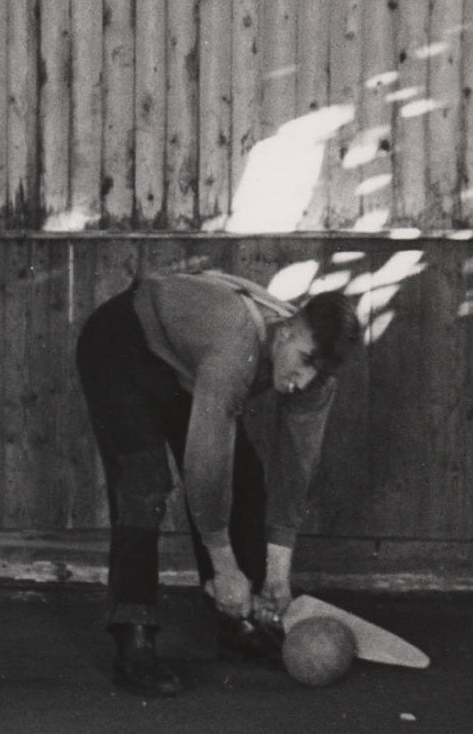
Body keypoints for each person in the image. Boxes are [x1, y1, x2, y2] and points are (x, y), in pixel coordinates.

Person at [75, 266, 365, 696]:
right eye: (304, 362)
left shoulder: (316, 379)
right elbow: (204, 464)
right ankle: (133, 638)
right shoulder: (236, 345)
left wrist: (277, 575)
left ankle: (238, 625)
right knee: (144, 483)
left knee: (244, 477)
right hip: (121, 346)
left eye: (318, 373)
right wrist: (225, 567)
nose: (302, 381)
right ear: (285, 333)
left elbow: (295, 470)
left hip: (183, 363)